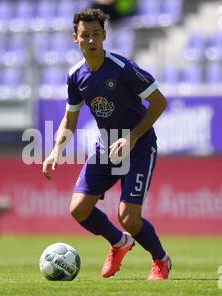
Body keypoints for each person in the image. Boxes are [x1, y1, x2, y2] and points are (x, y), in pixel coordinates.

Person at [42, 8, 171, 280]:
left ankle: (161, 260)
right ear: (75, 38)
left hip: (139, 146)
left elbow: (159, 103)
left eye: (96, 35)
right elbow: (70, 118)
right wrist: (56, 149)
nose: (91, 41)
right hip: (106, 147)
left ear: (104, 36)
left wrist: (133, 136)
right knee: (78, 209)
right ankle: (119, 242)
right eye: (85, 35)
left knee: (129, 218)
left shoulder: (123, 69)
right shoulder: (76, 76)